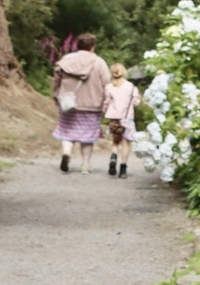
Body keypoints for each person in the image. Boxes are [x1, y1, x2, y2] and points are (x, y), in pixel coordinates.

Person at [51, 33, 110, 173]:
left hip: (68, 103)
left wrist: (56, 95)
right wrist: (106, 102)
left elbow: (56, 80)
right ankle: (85, 165)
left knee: (67, 132)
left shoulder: (66, 60)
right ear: (92, 46)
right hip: (92, 105)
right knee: (87, 137)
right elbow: (106, 83)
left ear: (78, 45)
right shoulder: (99, 62)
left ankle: (66, 153)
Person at [103, 62, 141, 178]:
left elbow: (106, 103)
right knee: (126, 144)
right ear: (124, 72)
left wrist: (105, 111)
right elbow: (136, 102)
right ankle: (123, 169)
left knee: (115, 142)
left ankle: (113, 156)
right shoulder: (131, 87)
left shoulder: (109, 87)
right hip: (127, 118)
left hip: (114, 119)